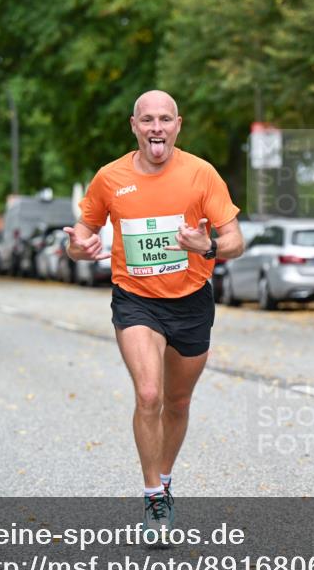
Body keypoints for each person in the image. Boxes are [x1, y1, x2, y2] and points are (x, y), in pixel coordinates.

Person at [65, 90, 244, 531]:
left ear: (178, 125)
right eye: (148, 120)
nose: (156, 127)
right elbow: (80, 237)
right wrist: (78, 249)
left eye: (165, 119)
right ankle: (153, 500)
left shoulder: (202, 175)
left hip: (191, 301)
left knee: (178, 401)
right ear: (134, 126)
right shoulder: (110, 178)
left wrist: (210, 246)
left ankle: (163, 480)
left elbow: (236, 241)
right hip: (135, 299)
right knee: (149, 395)